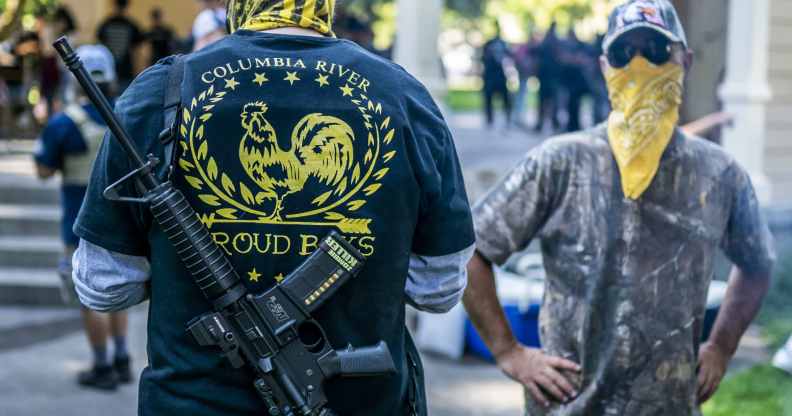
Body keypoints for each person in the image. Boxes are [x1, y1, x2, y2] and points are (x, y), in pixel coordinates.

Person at [71, 0, 475, 415]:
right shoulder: (403, 96)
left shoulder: (162, 91)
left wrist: (171, 268)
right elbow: (438, 288)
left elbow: (103, 285)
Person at [463, 1, 776, 415]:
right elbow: (471, 250)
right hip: (566, 406)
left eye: (656, 51)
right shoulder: (560, 162)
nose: (639, 65)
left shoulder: (719, 174)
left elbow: (758, 262)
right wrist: (509, 352)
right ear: (604, 66)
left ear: (685, 61)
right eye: (623, 53)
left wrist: (721, 346)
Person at [33, 45, 133, 391]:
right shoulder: (127, 114)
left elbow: (44, 171)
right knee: (118, 289)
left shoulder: (64, 123)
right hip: (122, 224)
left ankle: (102, 366)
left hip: (79, 226)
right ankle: (122, 358)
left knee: (90, 299)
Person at [97, 0, 144, 91]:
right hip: (123, 68)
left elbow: (100, 45)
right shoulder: (131, 25)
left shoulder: (106, 24)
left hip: (115, 68)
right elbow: (137, 50)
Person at [481, 22, 513, 128]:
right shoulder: (489, 44)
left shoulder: (503, 44)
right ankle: (490, 119)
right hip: (491, 75)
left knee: (505, 98)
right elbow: (483, 58)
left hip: (499, 75)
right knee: (489, 98)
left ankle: (507, 118)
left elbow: (509, 57)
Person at [535, 22, 561, 133]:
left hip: (548, 76)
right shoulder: (554, 42)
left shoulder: (546, 42)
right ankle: (550, 123)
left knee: (546, 101)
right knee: (550, 101)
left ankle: (543, 123)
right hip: (549, 76)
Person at [513, 31, 539, 129]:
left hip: (526, 74)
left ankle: (520, 117)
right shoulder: (525, 47)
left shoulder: (530, 47)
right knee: (521, 95)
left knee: (523, 95)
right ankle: (519, 118)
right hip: (523, 74)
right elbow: (519, 59)